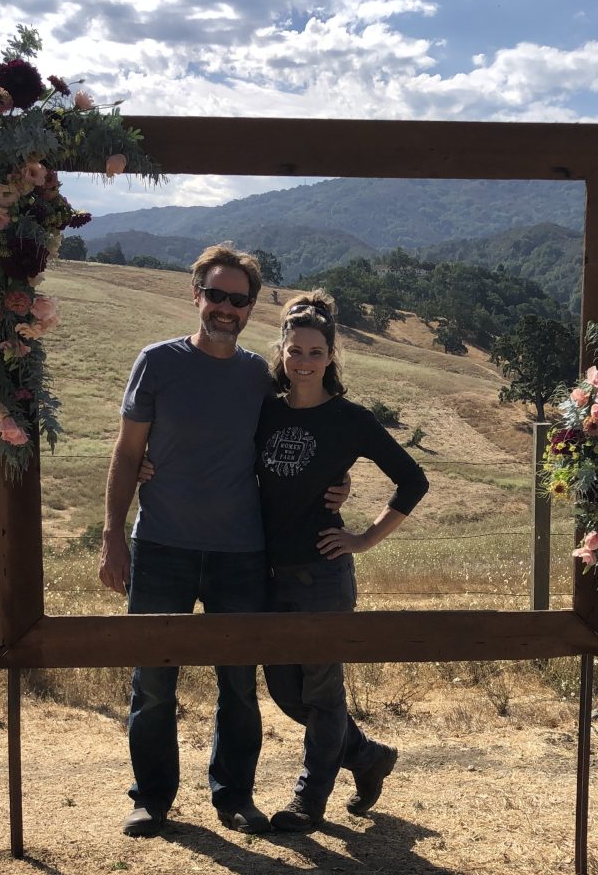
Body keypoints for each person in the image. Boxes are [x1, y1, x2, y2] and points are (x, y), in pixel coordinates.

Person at [98, 244, 346, 839]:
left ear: (251, 307)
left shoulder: (260, 376)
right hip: (161, 547)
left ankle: (234, 797)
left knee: (238, 683)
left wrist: (336, 481)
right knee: (152, 682)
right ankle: (151, 798)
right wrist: (113, 536)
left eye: (239, 299)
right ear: (196, 295)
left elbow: (305, 428)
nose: (226, 308)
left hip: (241, 553)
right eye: (216, 294)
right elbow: (128, 453)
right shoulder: (157, 362)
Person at [256, 289, 429, 833]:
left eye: (315, 352)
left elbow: (413, 480)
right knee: (287, 693)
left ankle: (308, 800)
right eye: (295, 351)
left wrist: (364, 539)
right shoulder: (264, 410)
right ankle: (367, 756)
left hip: (322, 576)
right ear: (282, 352)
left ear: (331, 356)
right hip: (266, 574)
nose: (304, 361)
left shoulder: (351, 420)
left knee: (323, 692)